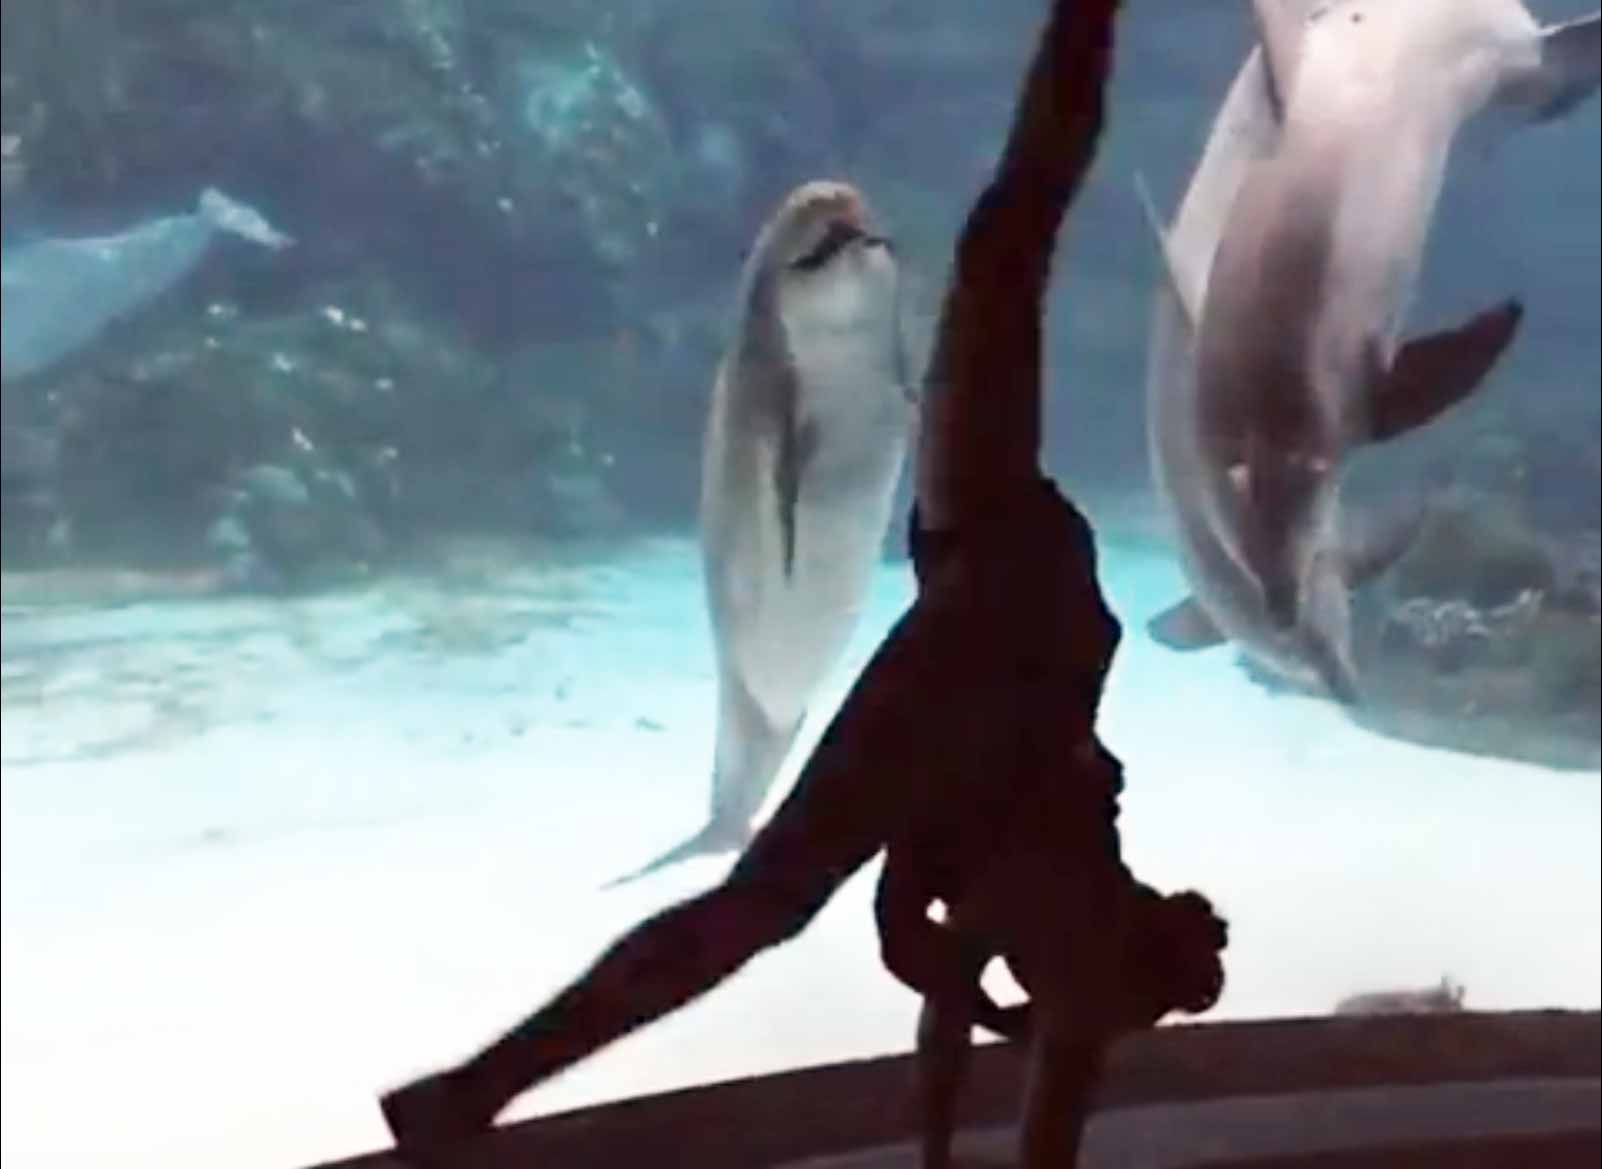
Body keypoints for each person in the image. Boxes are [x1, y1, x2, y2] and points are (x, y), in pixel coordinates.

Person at [378, 2, 1223, 1163]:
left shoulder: (1023, 945)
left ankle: (476, 1089)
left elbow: (964, 1002)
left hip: (1003, 611)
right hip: (997, 621)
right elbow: (998, 1046)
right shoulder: (1030, 953)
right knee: (1008, 240)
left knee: (1010, 237)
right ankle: (475, 1089)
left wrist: (947, 1073)